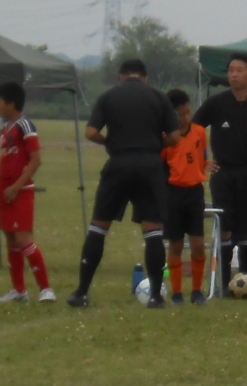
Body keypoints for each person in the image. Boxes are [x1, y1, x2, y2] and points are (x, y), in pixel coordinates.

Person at [67, 59, 180, 309]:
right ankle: (156, 296)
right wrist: (155, 143)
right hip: (149, 165)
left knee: (99, 227)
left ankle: (82, 292)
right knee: (152, 231)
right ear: (145, 78)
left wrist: (110, 141)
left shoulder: (108, 96)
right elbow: (174, 136)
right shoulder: (158, 97)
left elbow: (91, 132)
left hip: (118, 164)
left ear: (121, 77)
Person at [193, 53, 247, 294]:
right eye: (230, 70)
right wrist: (204, 161)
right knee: (225, 227)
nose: (233, 75)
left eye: (239, 70)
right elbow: (193, 132)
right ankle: (222, 283)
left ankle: (245, 279)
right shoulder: (216, 103)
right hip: (223, 173)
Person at [0, 82, 54, 303]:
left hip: (20, 190)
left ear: (11, 104)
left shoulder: (25, 125)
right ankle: (19, 290)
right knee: (10, 237)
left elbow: (36, 160)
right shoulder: (4, 127)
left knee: (23, 238)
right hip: (4, 188)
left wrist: (17, 186)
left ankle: (46, 289)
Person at [161, 88, 209, 305]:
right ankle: (177, 293)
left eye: (188, 113)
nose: (185, 118)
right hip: (173, 194)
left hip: (195, 193)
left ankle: (197, 291)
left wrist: (206, 164)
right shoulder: (166, 138)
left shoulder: (199, 132)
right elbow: (161, 166)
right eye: (180, 115)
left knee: (198, 244)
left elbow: (202, 157)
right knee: (176, 245)